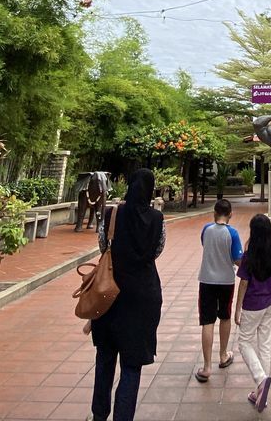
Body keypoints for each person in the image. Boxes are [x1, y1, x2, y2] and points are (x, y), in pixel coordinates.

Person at [88, 169, 165, 421]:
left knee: (105, 358)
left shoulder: (112, 214)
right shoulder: (157, 218)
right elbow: (157, 250)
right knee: (131, 365)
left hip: (109, 296)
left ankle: (99, 415)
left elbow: (103, 245)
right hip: (143, 297)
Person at [235, 213, 271, 413]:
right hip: (268, 303)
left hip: (252, 305)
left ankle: (261, 380)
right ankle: (261, 391)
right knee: (264, 345)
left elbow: (244, 283)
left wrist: (237, 308)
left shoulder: (248, 256)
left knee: (244, 342)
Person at [195, 197, 243, 382]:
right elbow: (237, 259)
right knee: (225, 316)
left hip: (206, 279)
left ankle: (206, 367)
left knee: (207, 321)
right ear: (231, 214)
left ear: (214, 213)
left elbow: (205, 246)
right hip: (226, 281)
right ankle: (223, 355)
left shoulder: (206, 230)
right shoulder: (233, 233)